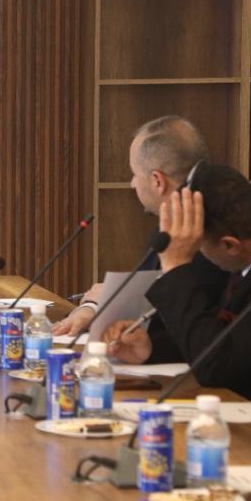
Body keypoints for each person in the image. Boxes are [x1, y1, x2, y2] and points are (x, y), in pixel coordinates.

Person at [103, 164, 251, 407]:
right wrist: (151, 348)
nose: (199, 255)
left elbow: (216, 366)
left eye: (199, 247)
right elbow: (222, 337)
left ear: (230, 245)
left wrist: (176, 266)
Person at [54, 116, 212, 336]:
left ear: (158, 181)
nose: (132, 183)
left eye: (135, 174)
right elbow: (139, 293)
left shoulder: (201, 236)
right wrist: (92, 306)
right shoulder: (171, 222)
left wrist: (105, 304)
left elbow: (162, 319)